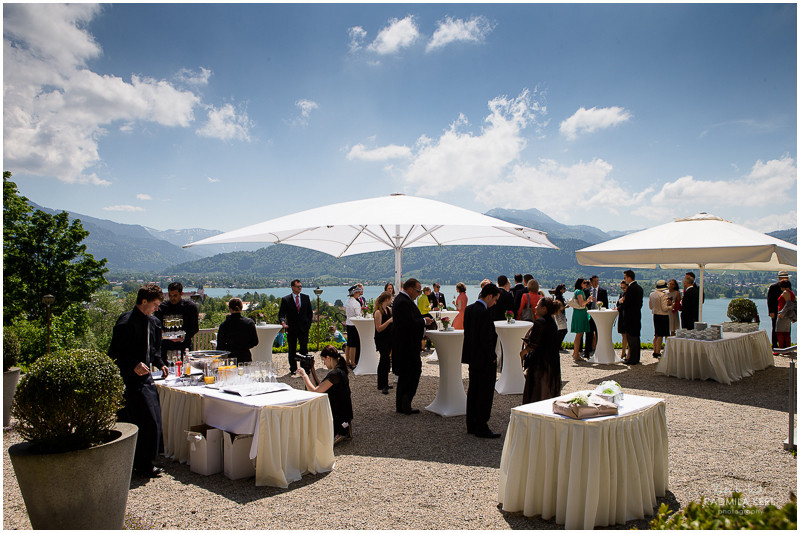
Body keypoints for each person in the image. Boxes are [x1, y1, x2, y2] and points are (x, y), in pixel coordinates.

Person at [108, 283, 168, 478]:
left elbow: (154, 350)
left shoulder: (153, 322)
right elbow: (115, 353)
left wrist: (160, 364)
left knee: (153, 420)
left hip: (147, 379)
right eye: (155, 304)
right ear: (144, 302)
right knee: (140, 421)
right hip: (130, 381)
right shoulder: (126, 323)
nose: (157, 309)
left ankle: (146, 462)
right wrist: (133, 364)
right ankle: (138, 464)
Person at [461, 283, 501, 438]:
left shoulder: (470, 309)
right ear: (489, 296)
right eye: (495, 299)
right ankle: (482, 425)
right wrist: (492, 357)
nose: (495, 303)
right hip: (484, 359)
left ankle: (471, 423)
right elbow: (485, 339)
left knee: (473, 391)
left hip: (473, 357)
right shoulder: (484, 312)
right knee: (485, 393)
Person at [391, 278, 433, 414]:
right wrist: (423, 321)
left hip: (404, 344)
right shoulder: (403, 302)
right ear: (409, 289)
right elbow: (409, 324)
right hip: (407, 345)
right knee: (412, 372)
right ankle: (405, 403)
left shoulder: (402, 300)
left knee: (405, 375)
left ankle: (402, 405)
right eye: (418, 291)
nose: (419, 293)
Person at [297, 345, 353, 445]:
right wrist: (311, 370)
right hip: (344, 412)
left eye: (324, 360)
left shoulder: (335, 374)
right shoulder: (340, 371)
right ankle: (344, 429)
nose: (324, 363)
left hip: (337, 413)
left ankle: (340, 431)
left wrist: (304, 376)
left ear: (328, 358)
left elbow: (315, 391)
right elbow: (319, 386)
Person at [520, 298, 561, 404]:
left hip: (540, 362)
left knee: (537, 390)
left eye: (538, 305)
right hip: (552, 361)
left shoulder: (540, 322)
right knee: (548, 389)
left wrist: (523, 353)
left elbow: (533, 344)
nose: (535, 307)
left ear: (544, 308)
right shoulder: (552, 322)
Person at [155, 281, 199, 361]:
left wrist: (184, 337)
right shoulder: (162, 307)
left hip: (184, 347)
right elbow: (157, 326)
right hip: (166, 348)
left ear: (181, 293)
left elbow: (195, 328)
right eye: (170, 295)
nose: (172, 298)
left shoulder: (190, 307)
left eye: (175, 295)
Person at [278, 279, 314, 375]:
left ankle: (304, 369)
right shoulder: (286, 299)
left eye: (301, 286)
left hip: (304, 329)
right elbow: (281, 313)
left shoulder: (306, 298)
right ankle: (293, 368)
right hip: (292, 328)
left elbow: (309, 313)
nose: (300, 288)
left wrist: (308, 325)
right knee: (292, 349)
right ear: (293, 287)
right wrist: (283, 322)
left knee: (304, 349)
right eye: (298, 286)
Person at [216, 298, 259, 363]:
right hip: (245, 356)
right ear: (241, 308)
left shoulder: (224, 325)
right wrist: (244, 346)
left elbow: (220, 346)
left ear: (229, 308)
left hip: (230, 358)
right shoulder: (249, 323)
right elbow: (255, 342)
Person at [619, 270, 644, 365]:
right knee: (636, 337)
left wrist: (619, 308)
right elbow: (639, 303)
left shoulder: (631, 288)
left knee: (631, 337)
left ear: (629, 277)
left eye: (625, 277)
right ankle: (636, 358)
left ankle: (632, 359)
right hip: (637, 315)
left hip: (630, 316)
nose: (624, 279)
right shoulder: (639, 288)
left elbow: (627, 303)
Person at [373, 291, 395, 394]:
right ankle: (383, 384)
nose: (391, 301)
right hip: (381, 339)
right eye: (390, 299)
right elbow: (379, 328)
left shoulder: (389, 310)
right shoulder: (378, 312)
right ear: (386, 300)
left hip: (389, 338)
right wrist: (389, 321)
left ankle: (382, 383)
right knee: (384, 360)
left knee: (386, 360)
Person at [570, 278, 593, 363]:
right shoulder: (579, 292)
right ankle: (576, 354)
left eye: (586, 282)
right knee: (579, 334)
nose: (586, 284)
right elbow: (581, 303)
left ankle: (575, 353)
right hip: (580, 314)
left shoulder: (579, 291)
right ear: (580, 283)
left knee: (579, 334)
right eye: (584, 282)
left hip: (579, 313)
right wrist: (588, 300)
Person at [649, 280, 673, 358]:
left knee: (656, 334)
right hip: (663, 316)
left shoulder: (652, 294)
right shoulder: (662, 295)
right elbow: (664, 308)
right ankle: (658, 351)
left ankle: (655, 350)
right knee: (662, 334)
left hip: (655, 315)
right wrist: (671, 306)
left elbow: (650, 306)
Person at [768, 272, 791, 348]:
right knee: (775, 328)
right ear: (779, 278)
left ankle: (785, 346)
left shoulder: (788, 286)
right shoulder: (773, 287)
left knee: (786, 329)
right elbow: (770, 300)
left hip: (786, 311)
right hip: (775, 310)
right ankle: (775, 345)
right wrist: (771, 311)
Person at [344, 285, 363, 369]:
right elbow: (358, 315)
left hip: (348, 323)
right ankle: (353, 362)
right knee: (353, 345)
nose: (359, 294)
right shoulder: (356, 303)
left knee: (349, 343)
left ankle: (347, 360)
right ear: (355, 293)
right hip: (354, 324)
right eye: (358, 292)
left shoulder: (347, 301)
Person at [776, 279, 797, 348]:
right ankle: (788, 348)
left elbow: (788, 304)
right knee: (786, 333)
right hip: (789, 315)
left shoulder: (786, 292)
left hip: (784, 315)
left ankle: (781, 348)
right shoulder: (791, 293)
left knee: (779, 332)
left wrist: (782, 313)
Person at [553, 284, 569, 351]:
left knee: (562, 330)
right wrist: (566, 306)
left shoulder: (559, 297)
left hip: (561, 315)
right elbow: (558, 307)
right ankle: (558, 345)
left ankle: (557, 345)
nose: (564, 289)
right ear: (560, 289)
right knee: (563, 330)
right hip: (559, 315)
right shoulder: (559, 297)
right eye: (563, 288)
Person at [616, 280, 629, 359]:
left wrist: (621, 303)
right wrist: (620, 302)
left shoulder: (629, 295)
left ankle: (627, 353)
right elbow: (618, 304)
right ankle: (623, 352)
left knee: (627, 335)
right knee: (623, 334)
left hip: (627, 316)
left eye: (624, 287)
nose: (623, 289)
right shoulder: (621, 294)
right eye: (621, 287)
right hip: (621, 315)